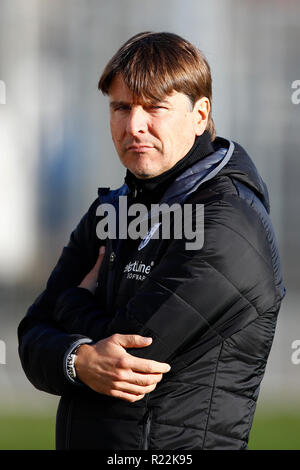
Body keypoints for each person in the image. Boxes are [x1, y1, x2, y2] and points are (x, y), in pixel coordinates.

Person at [18, 31, 286, 450]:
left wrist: (71, 303)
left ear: (201, 115)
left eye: (155, 107)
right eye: (121, 107)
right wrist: (80, 360)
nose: (134, 125)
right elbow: (31, 334)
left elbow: (128, 359)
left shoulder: (228, 223)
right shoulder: (115, 208)